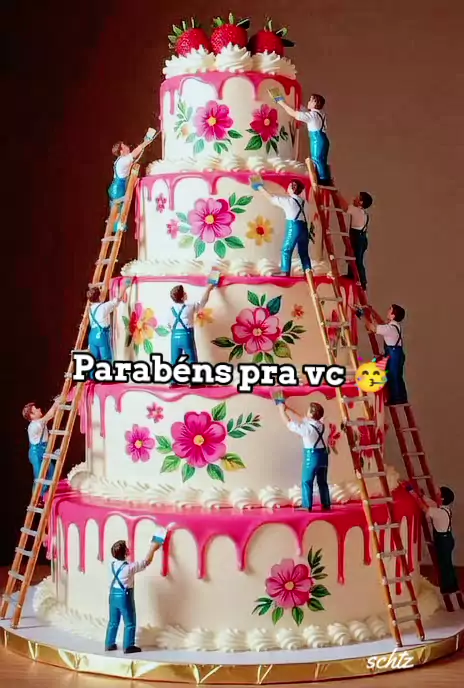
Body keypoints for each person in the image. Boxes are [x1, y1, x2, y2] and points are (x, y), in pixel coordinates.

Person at [105, 527, 172, 653]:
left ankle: (109, 643)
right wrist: (153, 548)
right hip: (124, 596)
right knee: (129, 622)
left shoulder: (111, 564)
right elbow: (146, 562)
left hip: (112, 595)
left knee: (113, 621)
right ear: (125, 553)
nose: (129, 549)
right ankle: (128, 646)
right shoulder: (129, 568)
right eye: (126, 548)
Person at [406, 485, 463, 609]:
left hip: (444, 540)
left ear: (442, 499)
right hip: (446, 538)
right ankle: (453, 590)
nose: (435, 495)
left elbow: (424, 507)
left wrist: (412, 493)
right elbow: (429, 502)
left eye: (438, 494)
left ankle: (450, 591)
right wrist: (421, 495)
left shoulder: (439, 512)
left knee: (445, 567)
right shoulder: (444, 509)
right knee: (447, 565)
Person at [276, 398, 331, 511]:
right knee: (322, 482)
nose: (306, 412)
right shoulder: (322, 425)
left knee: (307, 481)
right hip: (324, 456)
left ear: (311, 414)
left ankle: (307, 505)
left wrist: (281, 410)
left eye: (308, 410)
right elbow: (302, 418)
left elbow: (289, 424)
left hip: (312, 456)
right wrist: (288, 409)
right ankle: (326, 504)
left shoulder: (307, 429)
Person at [252, 178, 312, 276]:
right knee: (304, 252)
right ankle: (308, 271)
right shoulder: (306, 204)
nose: (287, 188)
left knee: (286, 249)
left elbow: (271, 198)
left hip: (294, 226)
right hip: (304, 228)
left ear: (293, 188)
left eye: (289, 186)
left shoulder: (289, 201)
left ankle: (285, 271)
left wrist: (260, 188)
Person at [272, 92, 331, 186]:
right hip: (323, 139)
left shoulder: (312, 116)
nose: (308, 102)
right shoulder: (320, 113)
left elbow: (293, 113)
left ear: (315, 103)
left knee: (317, 159)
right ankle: (325, 178)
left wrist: (281, 102)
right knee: (321, 160)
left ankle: (323, 181)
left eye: (311, 100)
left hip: (317, 140)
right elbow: (304, 111)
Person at [364, 304, 408, 406]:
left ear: (393, 315)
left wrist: (362, 315)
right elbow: (381, 323)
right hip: (396, 353)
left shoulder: (390, 328)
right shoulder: (394, 326)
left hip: (394, 355)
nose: (387, 311)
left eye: (390, 310)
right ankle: (400, 398)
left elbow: (373, 328)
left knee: (393, 376)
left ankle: (397, 399)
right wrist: (371, 311)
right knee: (396, 376)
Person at [168, 282, 216, 367]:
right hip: (186, 336)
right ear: (182, 297)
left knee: (174, 362)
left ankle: (174, 375)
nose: (186, 293)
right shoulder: (190, 307)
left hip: (174, 337)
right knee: (192, 361)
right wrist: (208, 289)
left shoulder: (171, 309)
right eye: (184, 293)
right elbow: (203, 302)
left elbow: (169, 324)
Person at [87, 279, 132, 364]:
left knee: (94, 360)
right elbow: (116, 301)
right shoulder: (103, 307)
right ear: (99, 297)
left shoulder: (90, 309)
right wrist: (125, 285)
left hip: (92, 335)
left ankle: (93, 372)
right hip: (101, 335)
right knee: (106, 360)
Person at [22, 399, 59, 498]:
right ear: (32, 415)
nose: (39, 409)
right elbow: (50, 415)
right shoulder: (35, 425)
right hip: (37, 452)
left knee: (51, 472)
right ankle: (38, 497)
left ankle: (46, 495)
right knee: (40, 476)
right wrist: (56, 403)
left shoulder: (39, 422)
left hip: (43, 449)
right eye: (36, 409)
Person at [108, 130, 156, 205]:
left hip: (117, 190)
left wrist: (145, 142)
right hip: (118, 192)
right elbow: (135, 153)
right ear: (121, 151)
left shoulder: (121, 159)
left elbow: (136, 156)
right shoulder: (123, 161)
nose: (127, 147)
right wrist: (146, 141)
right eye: (124, 146)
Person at [339, 192, 373, 290]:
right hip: (362, 238)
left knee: (356, 260)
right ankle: (352, 275)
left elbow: (345, 207)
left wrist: (337, 193)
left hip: (357, 238)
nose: (354, 198)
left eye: (357, 197)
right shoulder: (364, 213)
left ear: (361, 202)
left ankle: (362, 282)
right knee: (354, 257)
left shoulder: (356, 210)